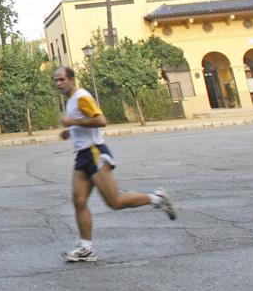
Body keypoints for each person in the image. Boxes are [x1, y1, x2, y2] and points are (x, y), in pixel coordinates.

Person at [53, 66, 175, 262]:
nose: (58, 83)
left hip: (94, 153)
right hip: (82, 155)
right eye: (56, 80)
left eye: (61, 79)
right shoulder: (71, 101)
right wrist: (70, 130)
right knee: (78, 200)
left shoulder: (82, 97)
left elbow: (101, 121)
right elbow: (79, 122)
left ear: (72, 80)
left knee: (114, 202)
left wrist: (73, 122)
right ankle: (86, 247)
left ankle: (157, 198)